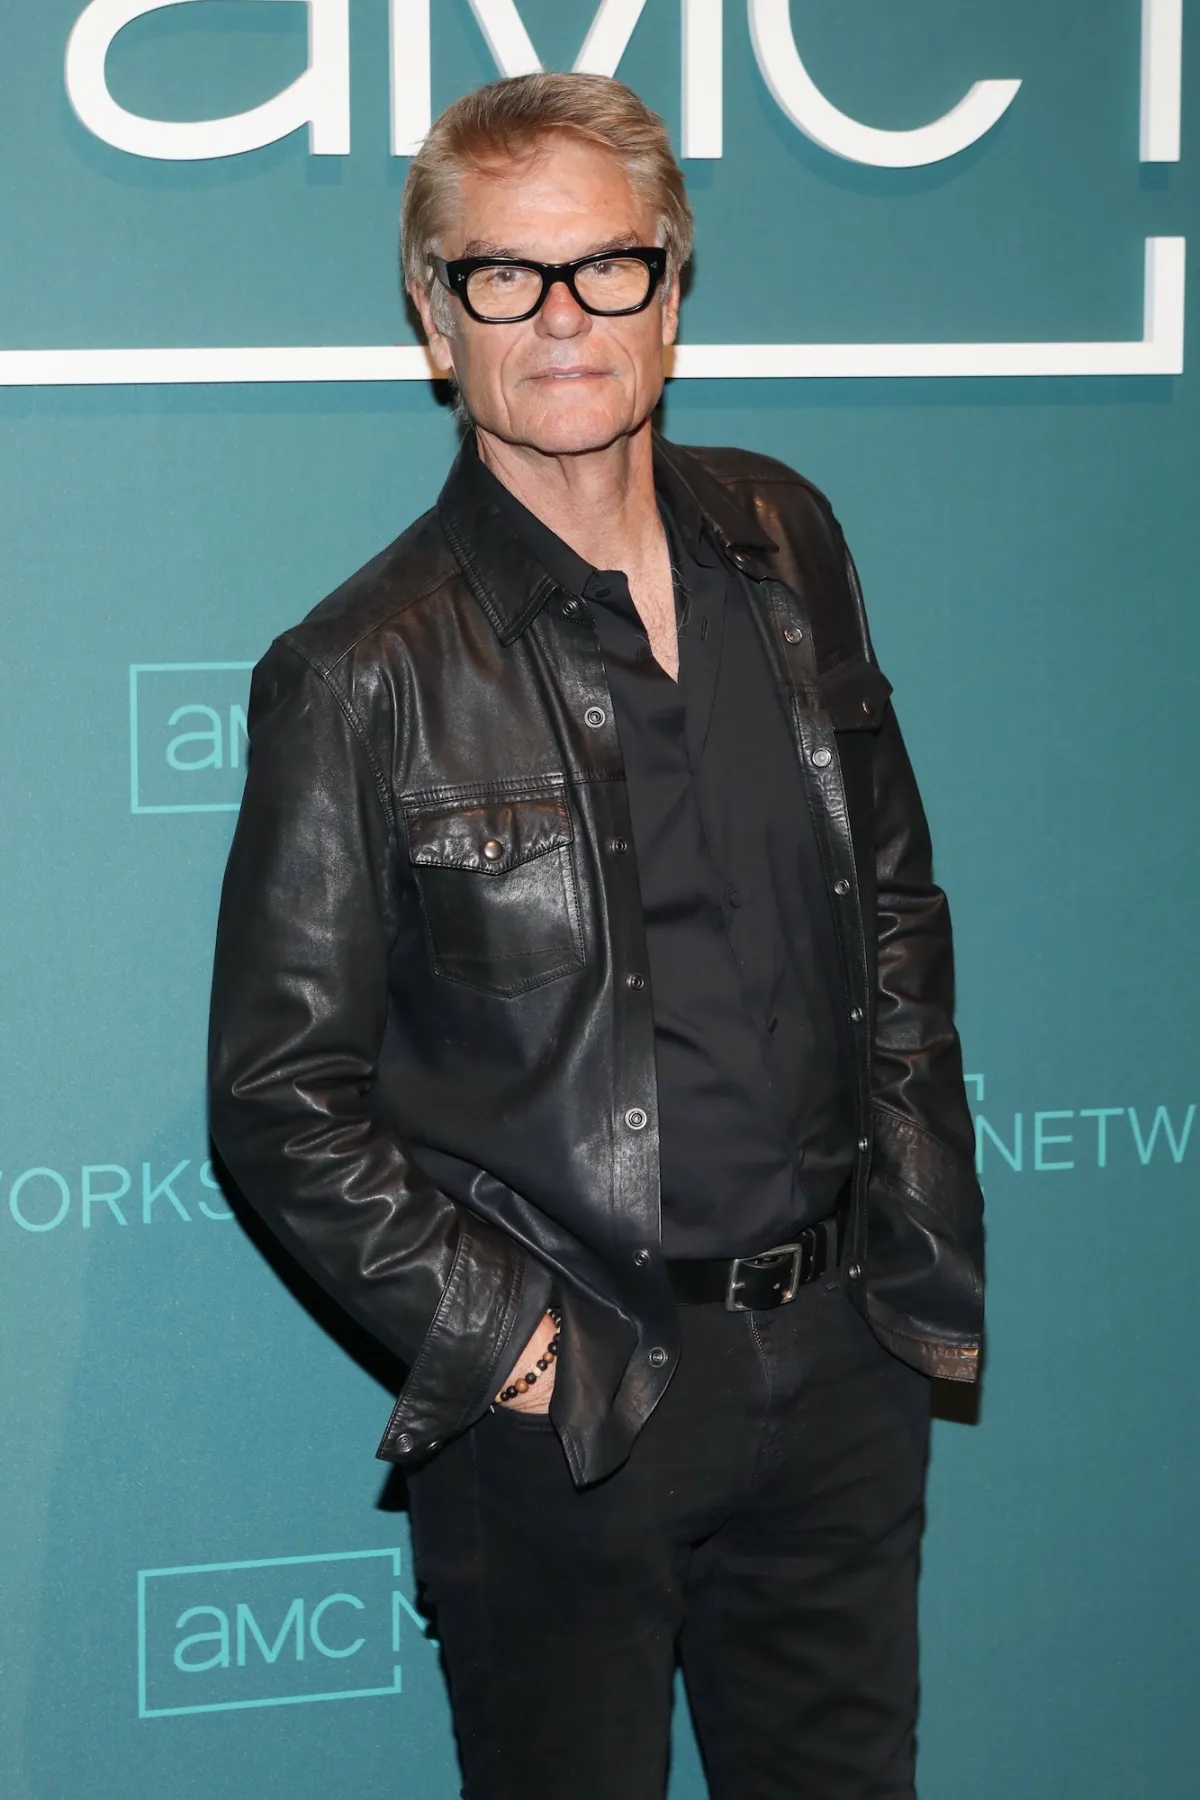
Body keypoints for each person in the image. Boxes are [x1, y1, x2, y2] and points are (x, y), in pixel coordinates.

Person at [208, 71, 984, 1800]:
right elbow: (277, 1094)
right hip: (576, 1413)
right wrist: (517, 1346)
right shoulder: (361, 671)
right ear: (438, 319)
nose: (562, 317)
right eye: (505, 275)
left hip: (841, 1363)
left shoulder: (788, 539)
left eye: (607, 267)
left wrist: (908, 1242)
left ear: (672, 292)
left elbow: (895, 902)